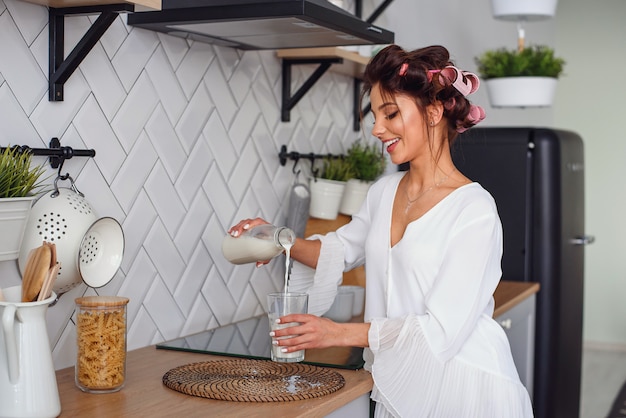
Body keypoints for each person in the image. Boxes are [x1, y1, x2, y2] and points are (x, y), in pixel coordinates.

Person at [228, 44, 533, 417]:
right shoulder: (383, 192)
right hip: (399, 377)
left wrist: (337, 333)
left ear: (434, 112)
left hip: (463, 386)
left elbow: (440, 330)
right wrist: (278, 240)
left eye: (390, 113)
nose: (376, 128)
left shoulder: (474, 210)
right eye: (374, 115)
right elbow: (339, 251)